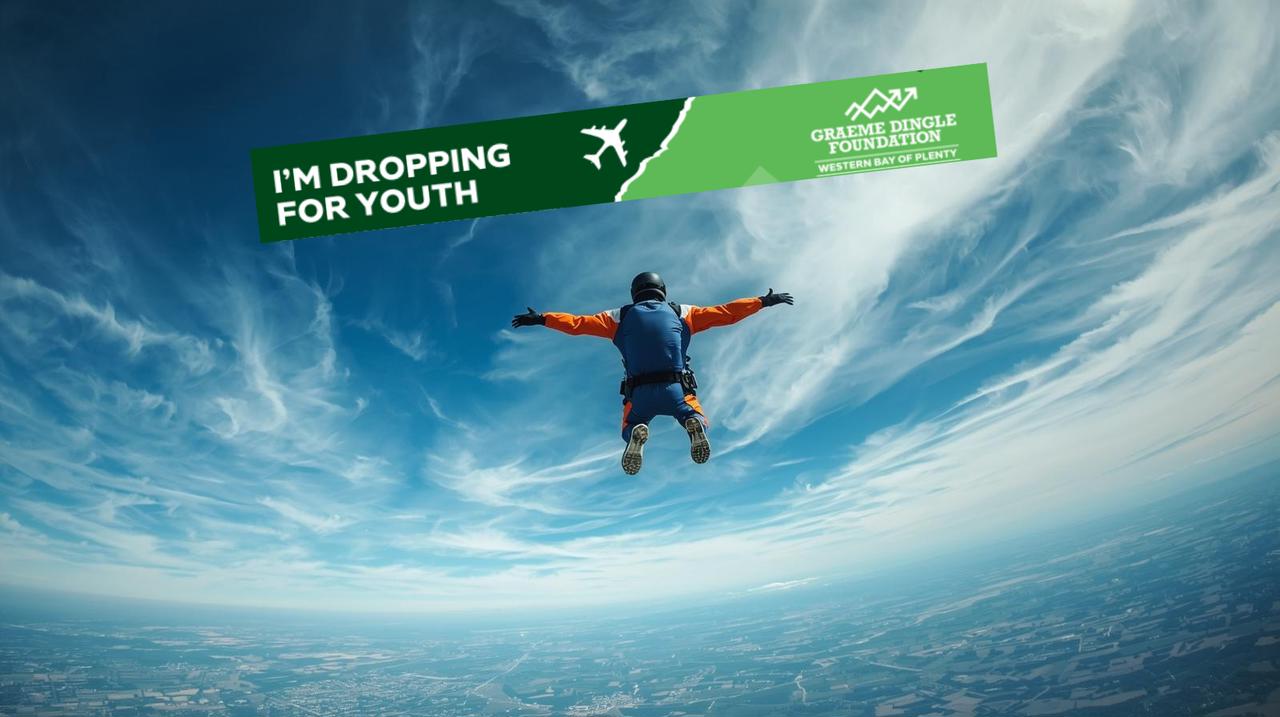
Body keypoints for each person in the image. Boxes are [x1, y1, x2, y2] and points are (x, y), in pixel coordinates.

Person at [511, 272, 794, 475]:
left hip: (639, 394)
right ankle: (693, 423)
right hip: (677, 390)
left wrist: (543, 318)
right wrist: (762, 301)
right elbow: (726, 312)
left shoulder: (618, 316)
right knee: (693, 413)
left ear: (634, 292)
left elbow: (577, 324)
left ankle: (636, 431)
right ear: (663, 291)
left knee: (631, 423)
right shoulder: (683, 313)